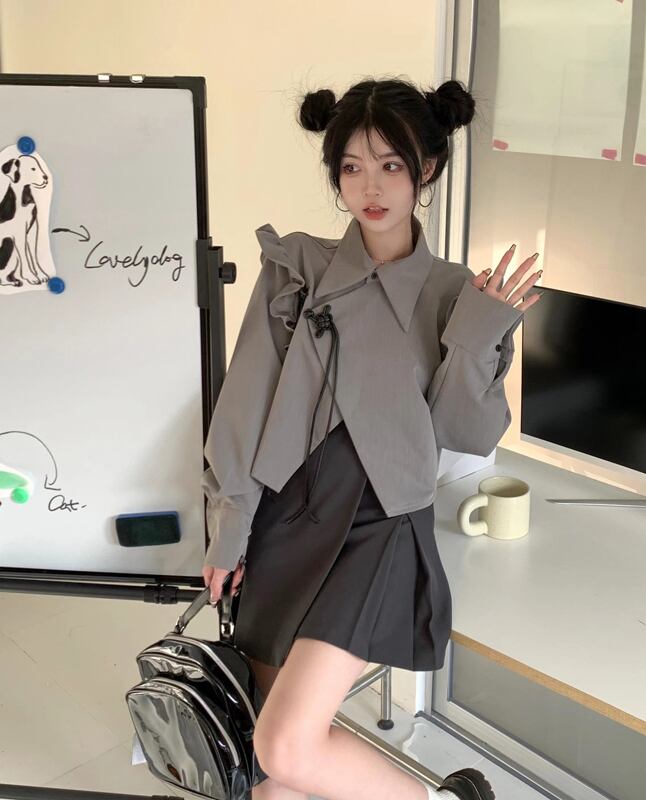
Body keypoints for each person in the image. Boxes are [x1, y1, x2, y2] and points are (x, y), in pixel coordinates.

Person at [202, 77, 542, 800]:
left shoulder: (457, 293)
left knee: (286, 746)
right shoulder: (299, 266)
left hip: (379, 526)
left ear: (426, 169)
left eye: (391, 165)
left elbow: (463, 431)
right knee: (271, 777)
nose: (371, 187)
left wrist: (478, 334)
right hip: (286, 517)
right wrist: (230, 526)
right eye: (352, 167)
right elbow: (246, 400)